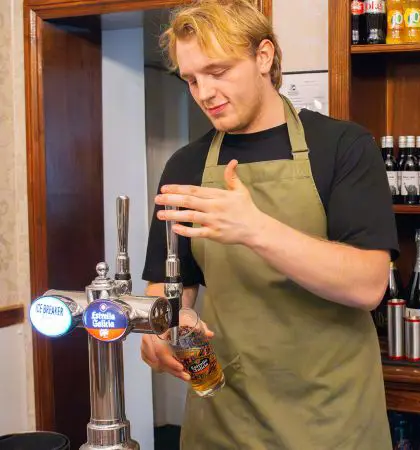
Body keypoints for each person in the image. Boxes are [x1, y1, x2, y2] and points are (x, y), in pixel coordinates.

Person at [138, 1, 398, 448]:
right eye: (192, 79)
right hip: (223, 419)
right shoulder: (186, 165)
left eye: (218, 71)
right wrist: (160, 330)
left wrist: (255, 229)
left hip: (330, 418)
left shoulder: (342, 146)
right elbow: (166, 290)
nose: (204, 92)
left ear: (264, 56)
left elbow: (368, 284)